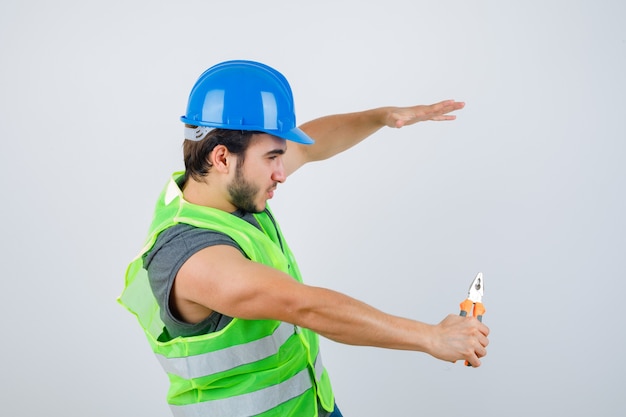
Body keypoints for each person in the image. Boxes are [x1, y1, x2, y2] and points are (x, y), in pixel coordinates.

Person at [119, 60, 489, 417]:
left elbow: (311, 145)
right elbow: (304, 306)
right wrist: (431, 337)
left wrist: (382, 117)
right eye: (272, 158)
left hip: (312, 406)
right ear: (221, 157)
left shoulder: (222, 191)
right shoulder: (194, 258)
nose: (282, 172)